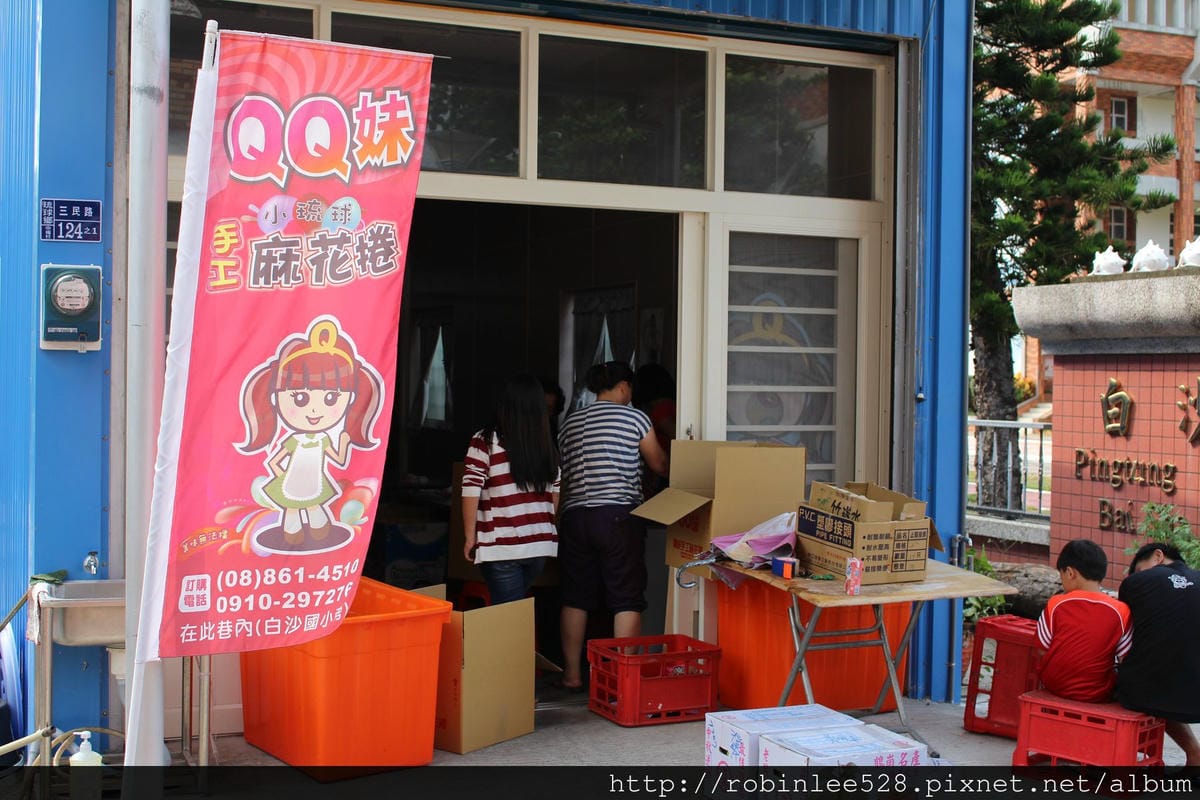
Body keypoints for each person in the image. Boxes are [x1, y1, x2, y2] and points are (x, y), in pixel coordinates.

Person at [556, 361, 668, 691]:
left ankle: (572, 675)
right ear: (622, 386)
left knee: (575, 597)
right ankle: (623, 679)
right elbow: (658, 463)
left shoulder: (570, 422)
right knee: (626, 597)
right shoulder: (634, 418)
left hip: (576, 517)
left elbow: (561, 473)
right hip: (619, 516)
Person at [238, 317, 383, 553]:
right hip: (293, 482)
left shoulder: (322, 439)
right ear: (276, 398)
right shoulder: (295, 439)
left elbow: (336, 459)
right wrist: (282, 476)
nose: (315, 410)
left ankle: (318, 533)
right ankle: (293, 535)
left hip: (313, 482)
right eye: (300, 398)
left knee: (315, 512)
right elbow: (275, 460)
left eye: (331, 398)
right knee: (294, 512)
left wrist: (345, 444)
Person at [461, 373, 561, 605]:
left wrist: (469, 536)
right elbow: (554, 496)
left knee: (508, 615)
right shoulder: (547, 445)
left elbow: (471, 490)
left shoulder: (485, 441)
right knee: (513, 610)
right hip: (539, 546)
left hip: (502, 546)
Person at [1116, 542, 1200, 766]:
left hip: (1147, 692)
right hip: (1193, 691)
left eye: (1140, 569)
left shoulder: (1135, 583)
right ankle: (1195, 756)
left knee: (1120, 678)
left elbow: (1123, 632)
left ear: (1158, 556)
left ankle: (1114, 758)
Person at [1035, 539, 1132, 702]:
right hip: (1099, 692)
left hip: (1054, 685)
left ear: (1070, 573)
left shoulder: (1056, 603)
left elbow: (1041, 648)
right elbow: (1125, 658)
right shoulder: (1122, 611)